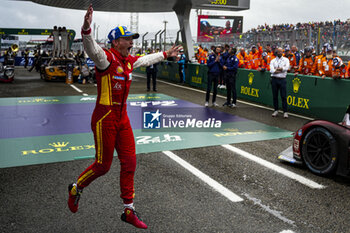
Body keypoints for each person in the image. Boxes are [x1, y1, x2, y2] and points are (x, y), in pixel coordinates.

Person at [67, 5, 181, 229]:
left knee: (130, 162)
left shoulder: (129, 61)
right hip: (104, 118)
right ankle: (75, 188)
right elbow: (91, 49)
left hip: (123, 118)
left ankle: (128, 209)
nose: (132, 42)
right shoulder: (105, 59)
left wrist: (166, 54)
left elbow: (146, 60)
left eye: (132, 39)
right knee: (103, 166)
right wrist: (86, 29)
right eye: (128, 39)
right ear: (116, 42)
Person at [270, 47, 290, 118]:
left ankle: (285, 112)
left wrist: (278, 69)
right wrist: (281, 69)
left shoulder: (286, 60)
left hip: (282, 79)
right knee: (275, 96)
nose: (280, 53)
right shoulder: (273, 60)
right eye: (278, 52)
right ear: (276, 52)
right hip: (274, 79)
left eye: (281, 52)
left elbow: (287, 68)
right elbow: (271, 70)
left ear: (282, 52)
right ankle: (276, 110)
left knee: (283, 96)